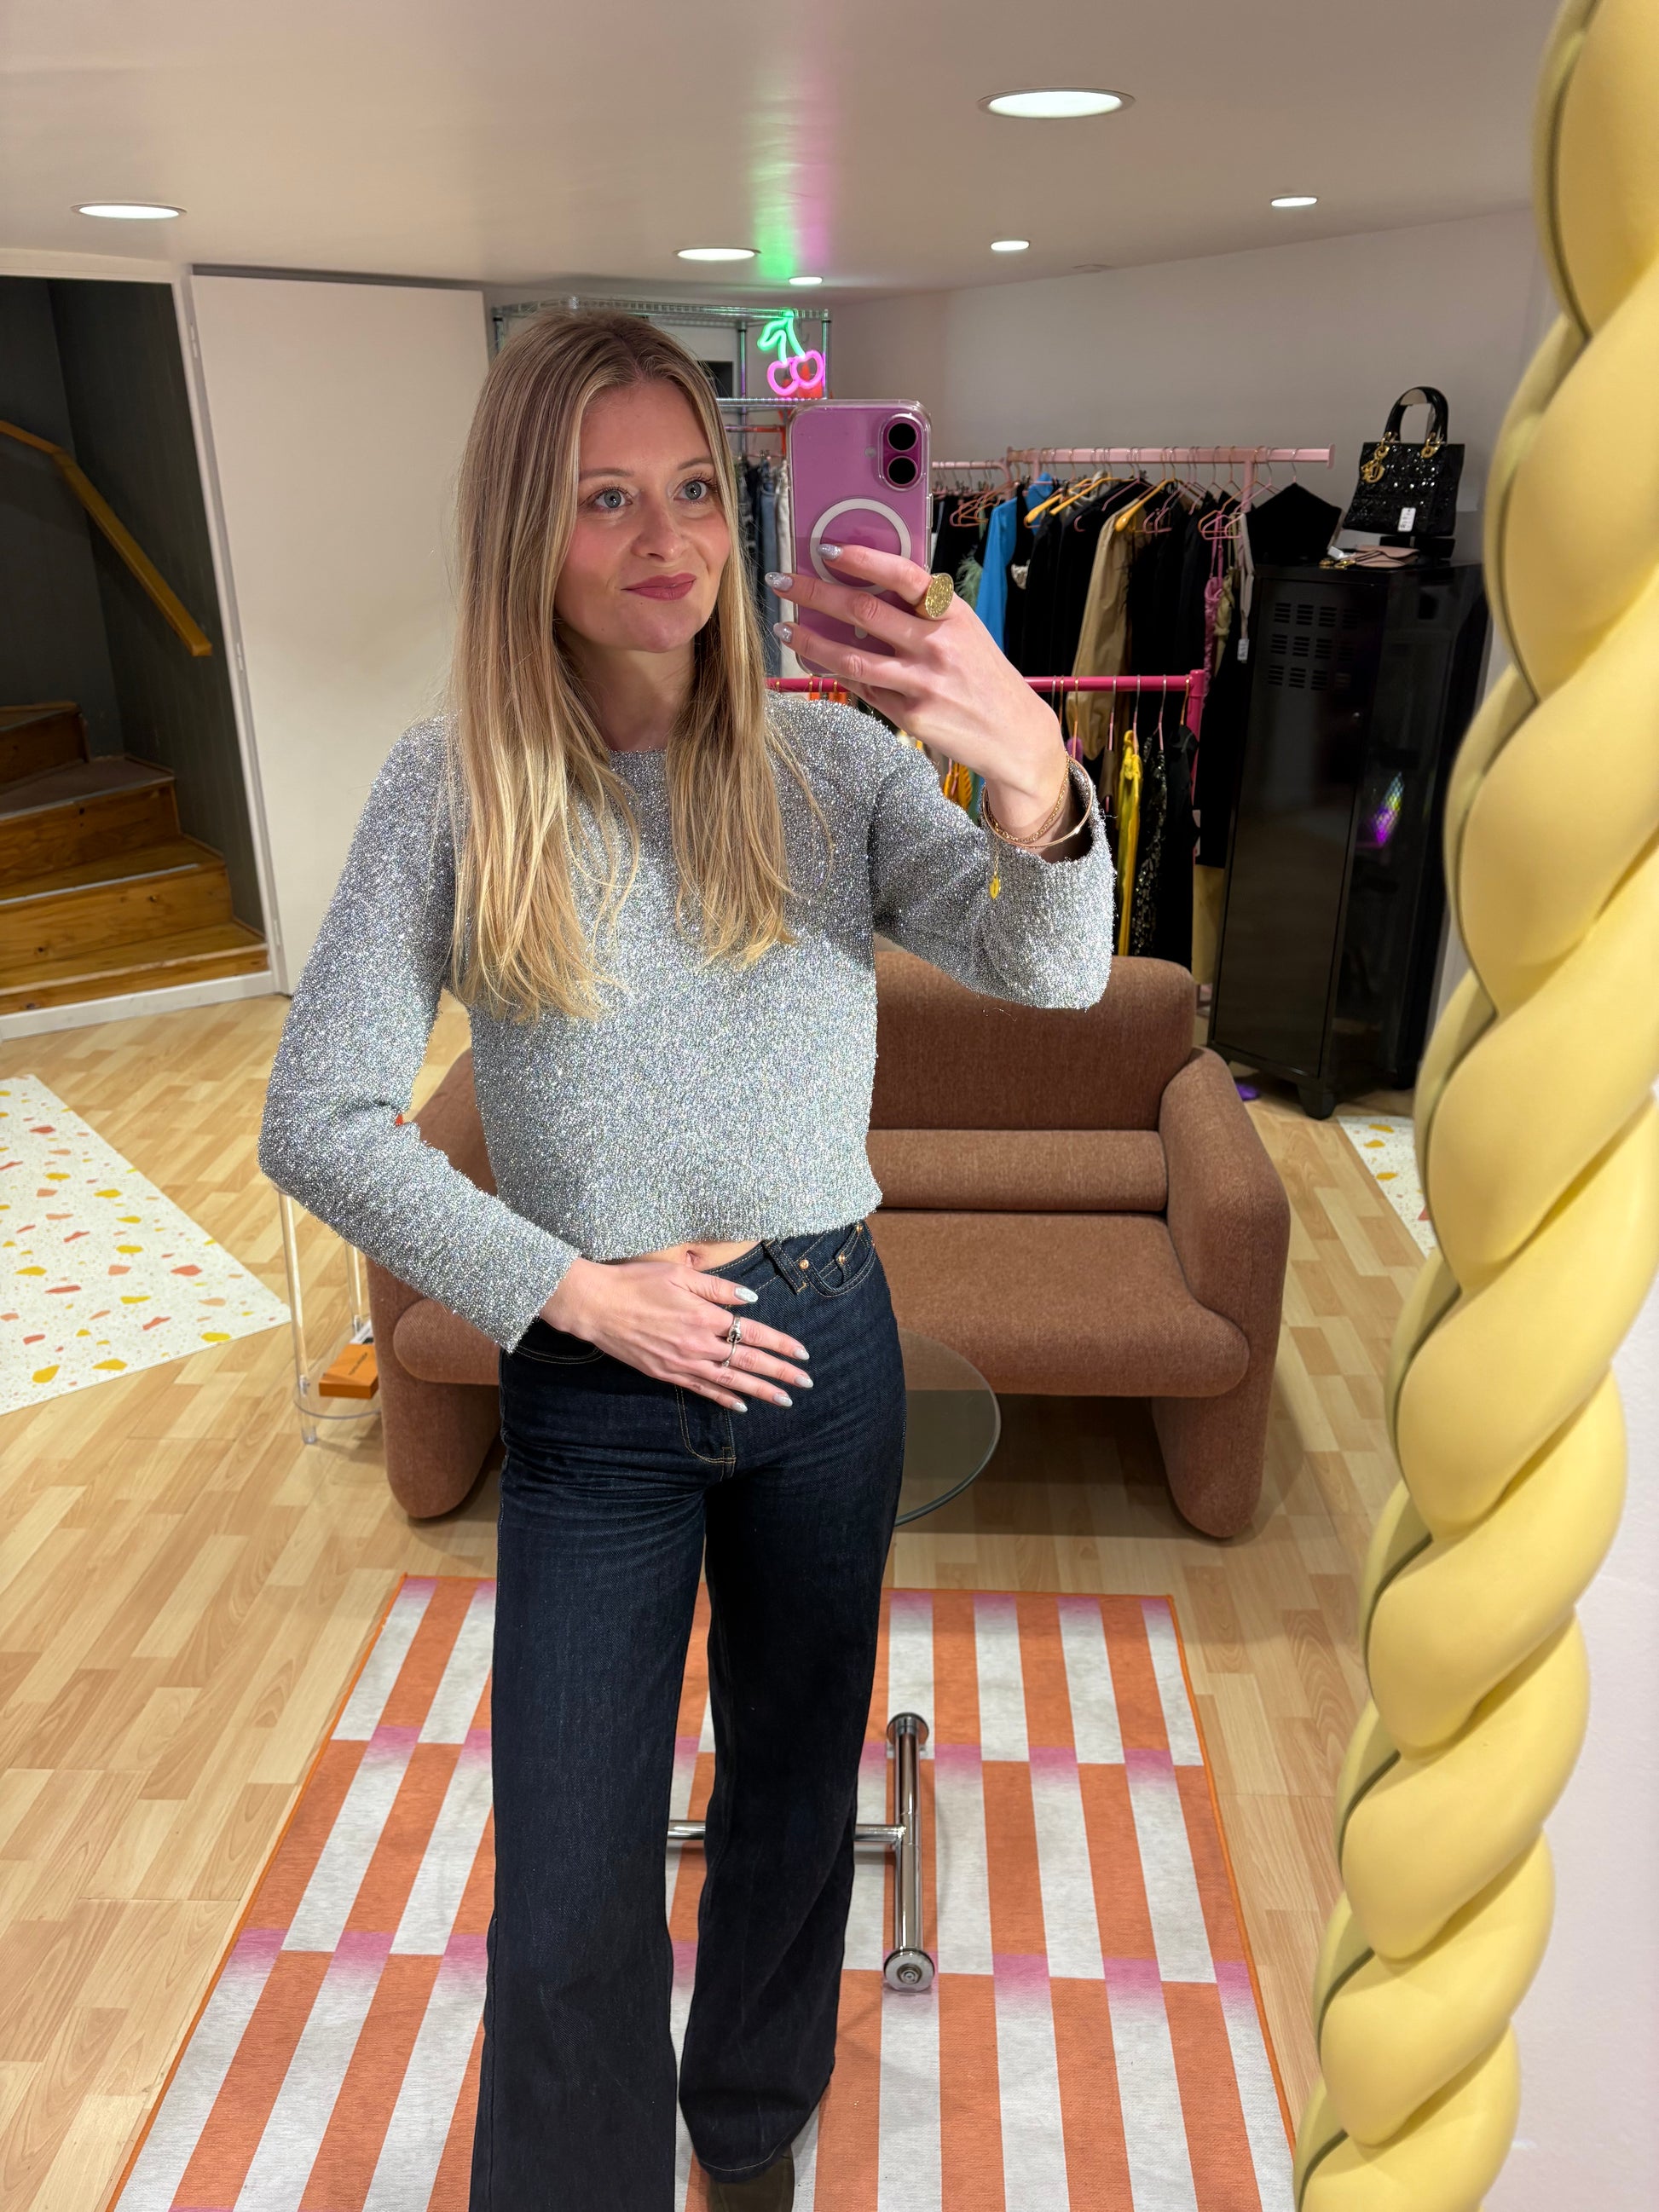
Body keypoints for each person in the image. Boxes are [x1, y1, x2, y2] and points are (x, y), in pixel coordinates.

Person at [258, 309, 1115, 2211]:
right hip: (594, 1381)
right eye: (603, 500)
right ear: (523, 531)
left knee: (794, 1791)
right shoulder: (453, 786)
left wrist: (1034, 775)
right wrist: (571, 1291)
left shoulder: (833, 764)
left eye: (693, 492)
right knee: (570, 1877)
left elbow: (1049, 970)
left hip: (823, 1349)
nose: (668, 540)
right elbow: (315, 1115)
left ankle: (749, 2133)